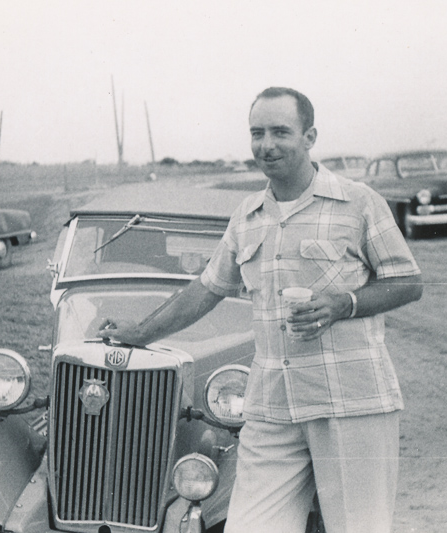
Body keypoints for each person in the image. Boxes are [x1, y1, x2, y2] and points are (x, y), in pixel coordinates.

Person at [98, 87, 423, 533]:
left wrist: (343, 303)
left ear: (309, 136)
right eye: (257, 133)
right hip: (272, 408)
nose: (266, 145)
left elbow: (408, 282)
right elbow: (206, 290)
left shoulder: (359, 202)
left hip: (351, 401)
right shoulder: (247, 215)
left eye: (280, 132)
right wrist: (141, 333)